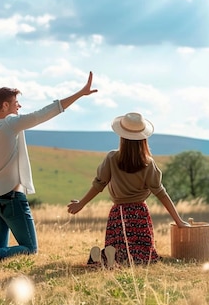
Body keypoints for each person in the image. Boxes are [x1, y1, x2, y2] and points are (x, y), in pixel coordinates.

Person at [0, 72, 98, 265]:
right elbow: (43, 114)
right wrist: (80, 93)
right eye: (15, 103)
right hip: (13, 199)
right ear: (5, 106)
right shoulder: (10, 124)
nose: (19, 107)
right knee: (30, 249)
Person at [67, 112, 190, 266]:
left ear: (122, 137)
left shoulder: (112, 158)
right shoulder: (148, 163)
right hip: (139, 214)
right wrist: (178, 221)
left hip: (118, 214)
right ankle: (123, 258)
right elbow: (161, 193)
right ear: (143, 139)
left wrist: (81, 203)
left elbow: (98, 185)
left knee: (118, 248)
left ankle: (105, 257)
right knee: (143, 254)